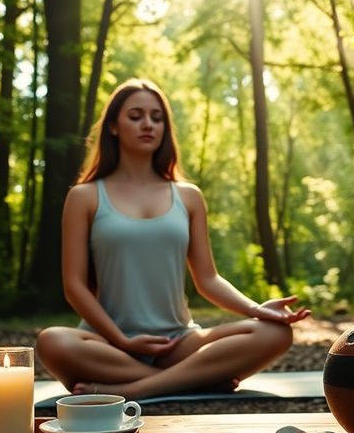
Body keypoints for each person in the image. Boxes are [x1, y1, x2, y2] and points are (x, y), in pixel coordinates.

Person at [36, 78, 311, 400]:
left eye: (157, 117)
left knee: (275, 333)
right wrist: (123, 341)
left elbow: (207, 279)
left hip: (179, 343)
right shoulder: (84, 196)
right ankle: (197, 379)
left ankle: (136, 389)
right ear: (113, 126)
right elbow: (75, 287)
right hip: (107, 345)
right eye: (135, 116)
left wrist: (257, 310)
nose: (148, 124)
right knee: (51, 341)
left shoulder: (188, 196)